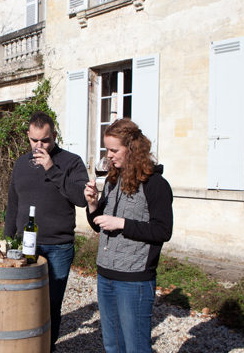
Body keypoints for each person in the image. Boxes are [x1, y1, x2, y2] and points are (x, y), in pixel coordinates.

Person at [83, 118, 173, 353]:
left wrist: (122, 223)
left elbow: (163, 230)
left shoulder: (156, 184)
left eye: (114, 150)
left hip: (134, 280)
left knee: (135, 347)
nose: (109, 155)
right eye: (107, 150)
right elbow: (100, 225)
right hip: (105, 275)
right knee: (112, 345)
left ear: (131, 149)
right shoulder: (113, 180)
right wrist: (92, 205)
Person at [4, 111, 89, 351]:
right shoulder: (21, 163)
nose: (39, 145)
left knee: (50, 305)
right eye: (34, 140)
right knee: (22, 302)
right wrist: (7, 239)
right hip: (24, 245)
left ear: (54, 136)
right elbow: (13, 204)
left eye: (45, 140)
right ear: (28, 137)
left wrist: (51, 168)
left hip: (57, 246)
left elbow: (81, 199)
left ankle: (46, 348)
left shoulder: (71, 162)